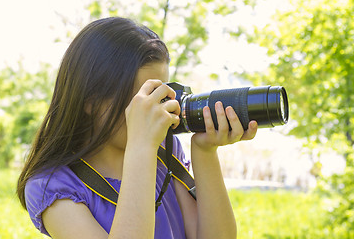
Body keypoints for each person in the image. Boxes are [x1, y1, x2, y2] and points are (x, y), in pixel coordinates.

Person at [17, 17, 258, 239]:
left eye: (160, 95)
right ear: (90, 100)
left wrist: (205, 153)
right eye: (143, 98)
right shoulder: (54, 186)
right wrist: (141, 147)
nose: (157, 109)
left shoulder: (165, 153)